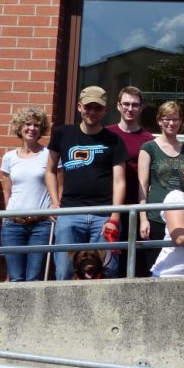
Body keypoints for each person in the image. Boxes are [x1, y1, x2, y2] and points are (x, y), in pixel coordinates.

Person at [46, 85, 128, 280]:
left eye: (97, 108)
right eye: (88, 107)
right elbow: (49, 170)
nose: (92, 112)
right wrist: (54, 202)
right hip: (69, 213)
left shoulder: (114, 140)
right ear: (79, 107)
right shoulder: (62, 134)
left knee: (106, 271)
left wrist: (115, 216)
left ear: (105, 111)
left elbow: (119, 181)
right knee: (65, 271)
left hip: (103, 215)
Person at [138, 100, 184, 276]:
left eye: (175, 119)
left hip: (182, 216)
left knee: (179, 266)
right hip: (156, 217)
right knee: (154, 266)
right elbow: (143, 185)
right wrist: (143, 218)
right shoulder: (149, 148)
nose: (171, 123)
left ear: (180, 121)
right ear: (159, 121)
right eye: (167, 119)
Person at [105, 86, 155, 277]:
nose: (130, 108)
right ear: (118, 106)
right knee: (107, 259)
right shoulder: (106, 134)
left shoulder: (148, 140)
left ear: (141, 108)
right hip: (108, 206)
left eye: (135, 105)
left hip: (136, 207)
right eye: (126, 104)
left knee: (132, 260)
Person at [0, 107, 53, 282]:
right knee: (15, 278)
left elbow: (59, 188)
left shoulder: (49, 155)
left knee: (34, 278)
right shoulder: (9, 158)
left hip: (41, 224)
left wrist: (55, 207)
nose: (32, 128)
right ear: (19, 128)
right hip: (13, 224)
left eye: (37, 125)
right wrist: (7, 215)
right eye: (27, 124)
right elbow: (7, 191)